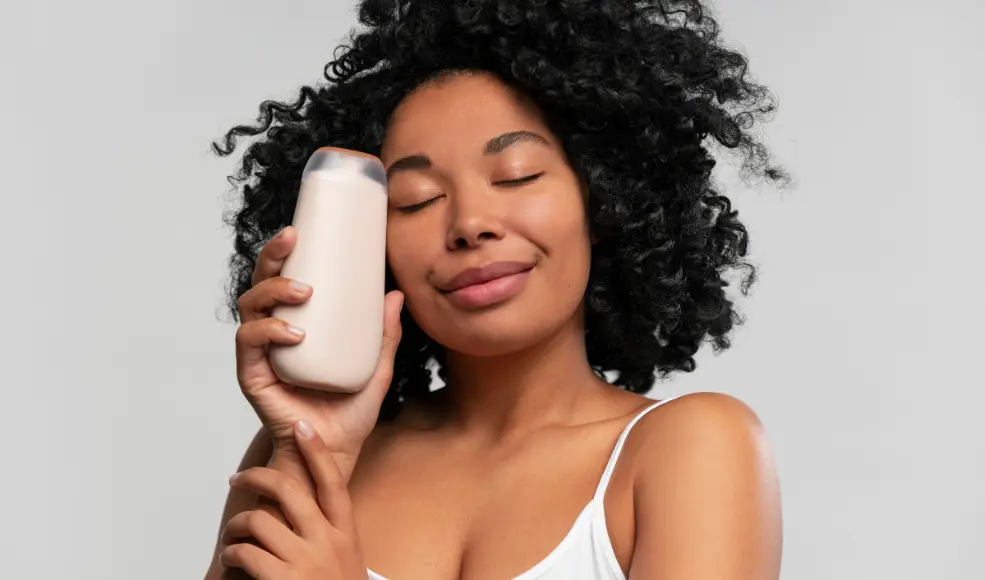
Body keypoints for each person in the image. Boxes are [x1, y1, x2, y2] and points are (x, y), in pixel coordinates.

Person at [205, 0, 786, 578]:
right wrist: (314, 451)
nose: (468, 224)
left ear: (605, 199)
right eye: (417, 200)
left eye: (518, 176)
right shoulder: (298, 453)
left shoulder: (692, 447)